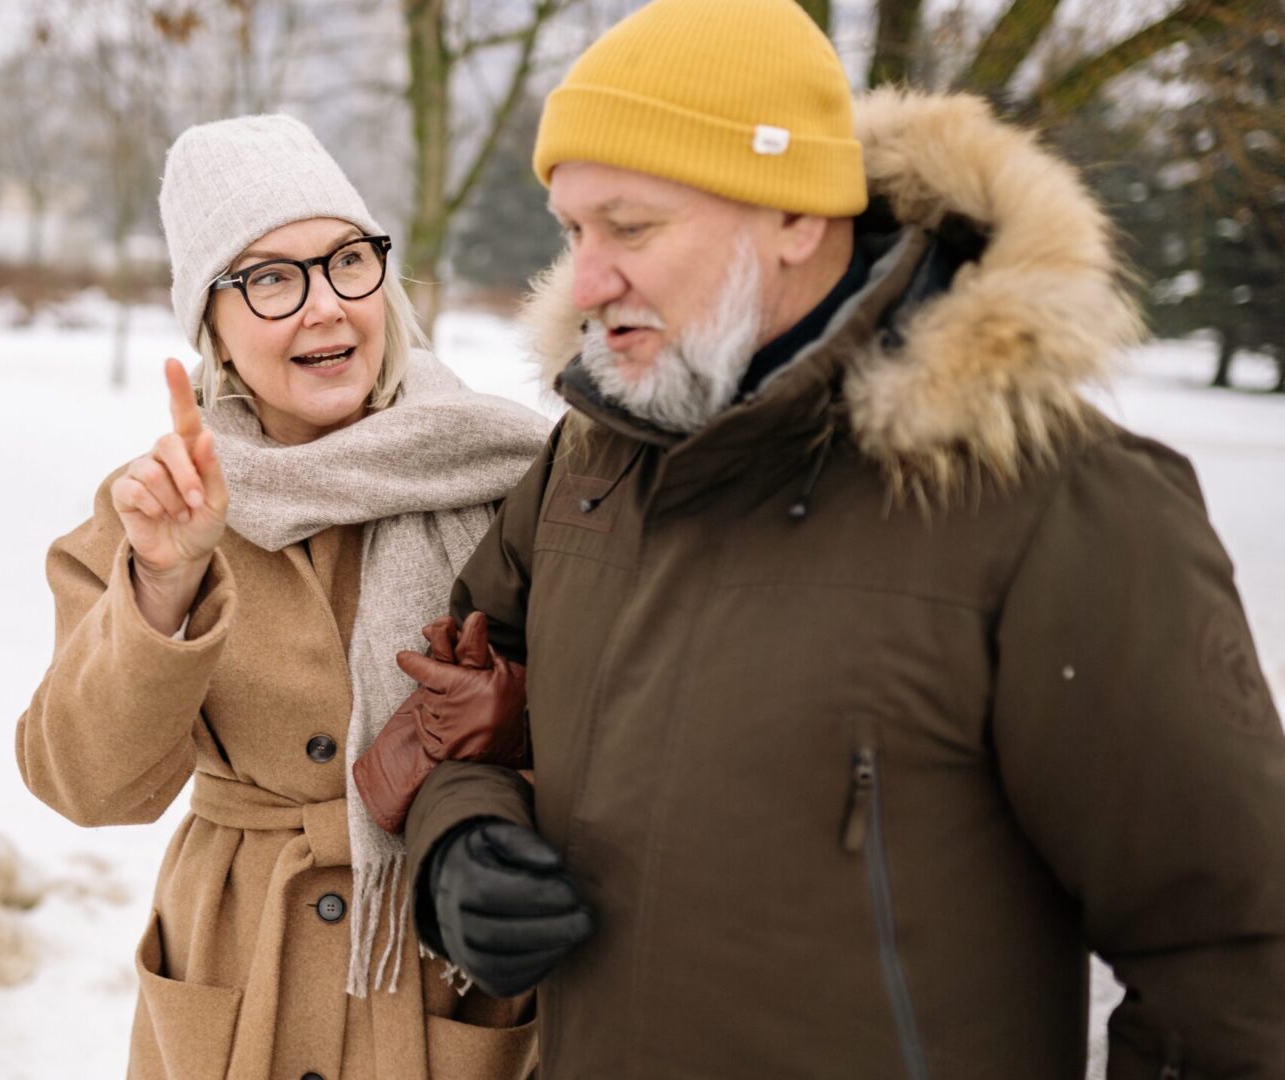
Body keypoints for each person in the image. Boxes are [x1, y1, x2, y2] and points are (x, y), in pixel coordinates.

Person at [382, 0, 1285, 1076]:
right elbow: (455, 690)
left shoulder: (1059, 504)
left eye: (631, 227)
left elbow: (1236, 963)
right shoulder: (589, 460)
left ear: (796, 217)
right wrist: (461, 839)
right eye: (573, 231)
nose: (585, 281)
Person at [16, 114, 551, 1080]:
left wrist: (518, 736)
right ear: (211, 326)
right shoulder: (157, 507)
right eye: (269, 279)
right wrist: (163, 587)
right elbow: (86, 787)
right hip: (238, 974)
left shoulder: (511, 477)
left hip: (445, 974)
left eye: (348, 261)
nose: (326, 308)